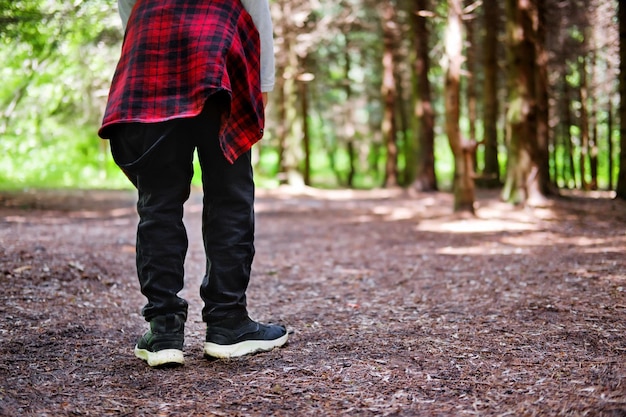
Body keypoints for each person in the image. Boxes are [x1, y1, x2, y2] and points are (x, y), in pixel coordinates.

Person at [98, 0, 288, 368]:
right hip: (219, 46)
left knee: (158, 200)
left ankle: (164, 331)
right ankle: (228, 324)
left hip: (150, 45)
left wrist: (147, 33)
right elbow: (256, 7)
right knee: (229, 194)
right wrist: (262, 83)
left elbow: (127, 4)